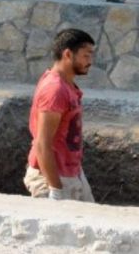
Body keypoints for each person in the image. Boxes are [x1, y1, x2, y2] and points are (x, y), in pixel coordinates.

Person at [23, 29, 96, 202]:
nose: (90, 61)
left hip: (71, 171)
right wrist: (55, 189)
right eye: (86, 56)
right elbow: (42, 144)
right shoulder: (55, 90)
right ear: (68, 54)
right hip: (54, 177)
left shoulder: (66, 84)